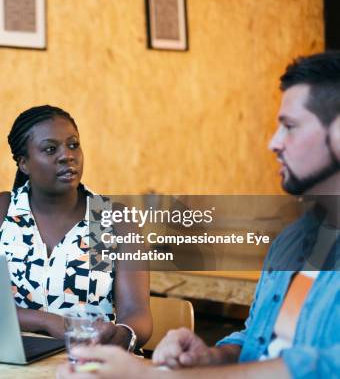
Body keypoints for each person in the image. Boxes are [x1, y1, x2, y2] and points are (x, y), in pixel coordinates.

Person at [57, 51, 340, 378]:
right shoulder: (292, 241)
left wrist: (155, 377)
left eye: (289, 126)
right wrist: (211, 356)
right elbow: (259, 341)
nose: (273, 143)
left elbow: (325, 367)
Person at [0, 105, 152, 350]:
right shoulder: (3, 210)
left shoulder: (112, 219)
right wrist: (48, 322)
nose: (67, 155)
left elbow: (136, 312)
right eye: (50, 149)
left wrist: (121, 335)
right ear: (24, 163)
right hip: (12, 361)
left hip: (88, 363)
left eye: (73, 145)